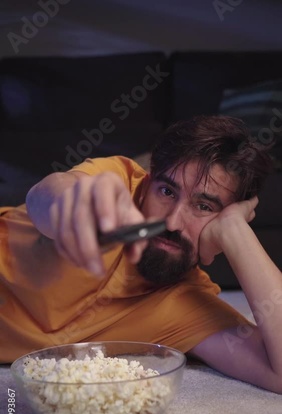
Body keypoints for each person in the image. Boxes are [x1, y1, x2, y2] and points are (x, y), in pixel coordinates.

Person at [0, 116, 281, 393]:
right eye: (167, 191)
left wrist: (236, 233)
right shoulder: (115, 184)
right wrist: (75, 206)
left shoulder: (187, 305)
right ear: (146, 185)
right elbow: (47, 196)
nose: (172, 222)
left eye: (204, 207)